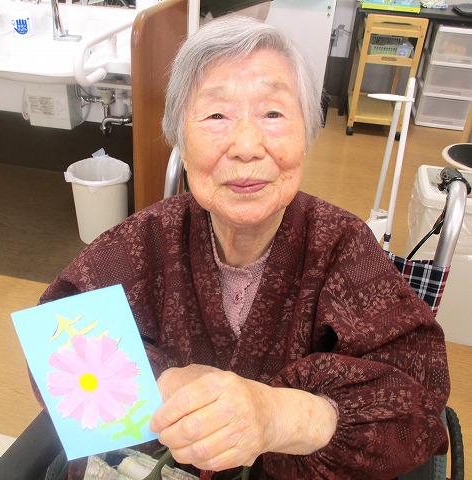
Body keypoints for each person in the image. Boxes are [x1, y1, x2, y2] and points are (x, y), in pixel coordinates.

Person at [38, 16, 450, 479]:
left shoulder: (342, 247)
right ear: (181, 143)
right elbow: (55, 348)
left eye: (273, 113)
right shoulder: (146, 240)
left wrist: (279, 416)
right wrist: (161, 384)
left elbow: (419, 405)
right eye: (217, 115)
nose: (247, 146)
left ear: (307, 135)